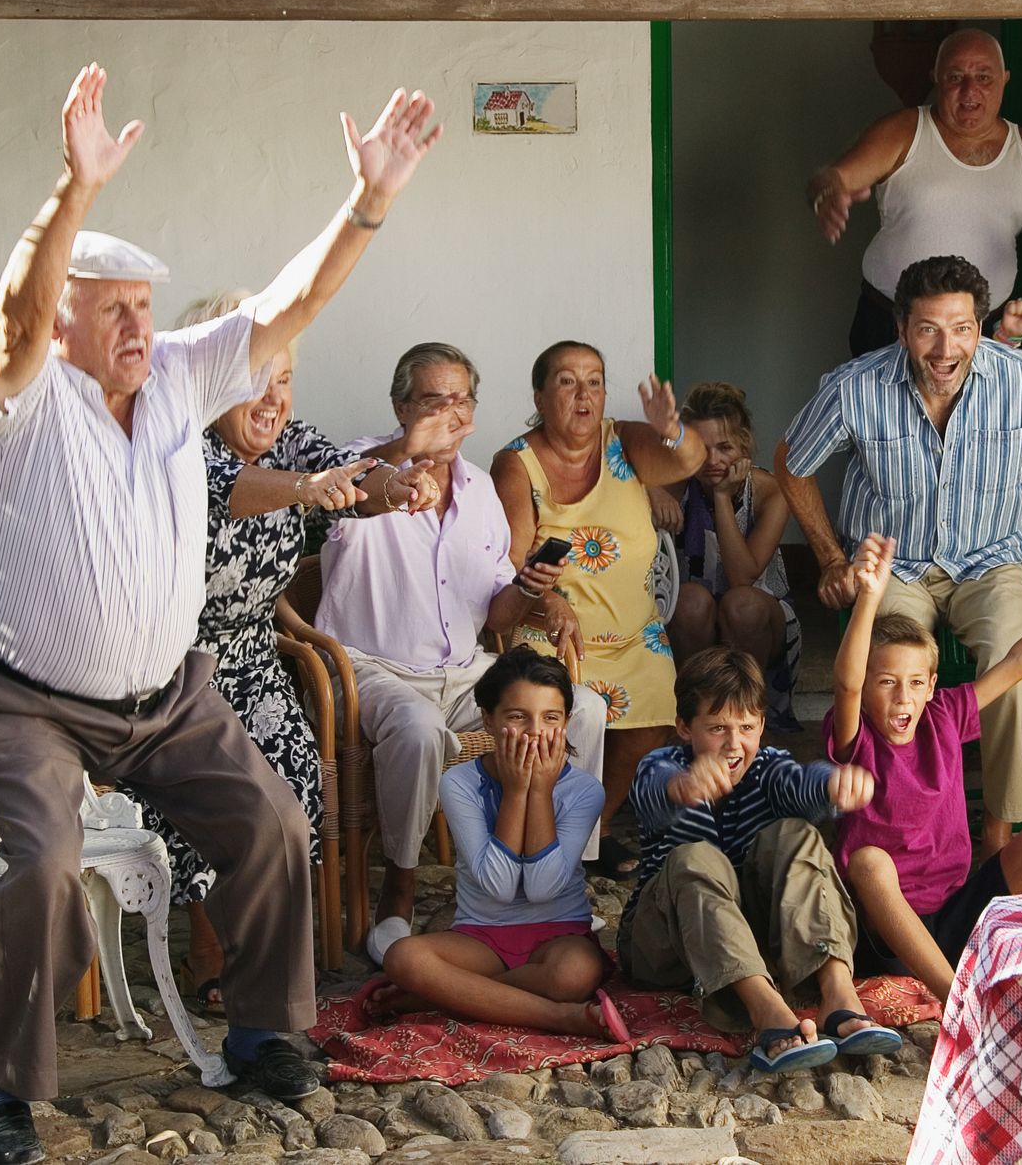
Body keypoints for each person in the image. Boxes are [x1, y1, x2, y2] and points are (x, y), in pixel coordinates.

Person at [0, 62, 439, 1165]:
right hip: (29, 698)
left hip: (168, 696)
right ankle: (4, 1097)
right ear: (63, 321)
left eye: (143, 307)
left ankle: (265, 1028)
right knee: (39, 865)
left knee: (271, 821)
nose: (137, 325)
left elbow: (293, 302)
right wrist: (69, 191)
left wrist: (369, 200)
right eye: (112, 308)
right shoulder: (14, 393)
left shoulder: (177, 374)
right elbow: (17, 308)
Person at [119, 293, 444, 1006]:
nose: (274, 396)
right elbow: (234, 491)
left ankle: (266, 946)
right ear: (207, 379)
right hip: (168, 673)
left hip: (253, 660)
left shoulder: (291, 442)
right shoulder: (173, 443)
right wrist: (307, 488)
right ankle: (210, 944)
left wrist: (398, 483)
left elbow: (353, 475)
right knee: (200, 792)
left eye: (285, 376)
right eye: (256, 374)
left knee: (295, 780)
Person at [775, 254, 1022, 858]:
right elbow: (792, 463)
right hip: (895, 568)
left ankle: (998, 833)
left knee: (1019, 673)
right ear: (902, 330)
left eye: (961, 327)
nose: (945, 347)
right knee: (886, 679)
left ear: (980, 326)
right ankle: (891, 821)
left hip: (991, 560)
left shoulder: (1021, 378)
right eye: (928, 328)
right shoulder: (856, 387)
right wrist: (827, 558)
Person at [316, 342, 609, 965]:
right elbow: (346, 489)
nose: (450, 413)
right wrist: (408, 450)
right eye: (432, 400)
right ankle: (398, 888)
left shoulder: (479, 492)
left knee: (581, 708)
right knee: (418, 730)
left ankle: (560, 881)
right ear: (401, 406)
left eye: (461, 400)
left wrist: (527, 592)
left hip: (465, 672)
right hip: (373, 667)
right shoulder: (356, 466)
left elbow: (493, 615)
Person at [829, 533, 1022, 1000]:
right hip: (886, 936)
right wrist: (870, 596)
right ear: (867, 688)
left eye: (914, 683)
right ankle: (961, 999)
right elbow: (846, 684)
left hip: (957, 917)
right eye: (886, 682)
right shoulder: (856, 736)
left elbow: (1020, 660)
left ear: (932, 686)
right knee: (868, 864)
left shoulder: (944, 715)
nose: (902, 697)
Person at [621, 648, 903, 1071]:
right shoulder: (659, 765)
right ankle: (765, 1009)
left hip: (748, 941)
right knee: (694, 857)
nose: (734, 745)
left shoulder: (767, 768)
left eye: (747, 728)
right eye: (717, 728)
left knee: (798, 834)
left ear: (762, 728)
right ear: (684, 727)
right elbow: (653, 793)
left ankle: (837, 993)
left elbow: (801, 782)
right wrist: (683, 786)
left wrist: (833, 783)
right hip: (664, 949)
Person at [492, 341, 706, 879]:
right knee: (560, 706)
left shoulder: (624, 440)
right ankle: (551, 835)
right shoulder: (516, 464)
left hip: (634, 634)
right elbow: (510, 564)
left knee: (660, 699)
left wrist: (672, 427)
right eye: (566, 381)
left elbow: (690, 459)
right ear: (540, 396)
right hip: (551, 631)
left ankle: (594, 826)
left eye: (594, 381)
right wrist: (547, 597)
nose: (583, 393)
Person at [366, 649, 630, 1041]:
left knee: (574, 974)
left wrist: (539, 791)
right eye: (517, 717)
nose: (535, 732)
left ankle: (438, 997)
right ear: (488, 719)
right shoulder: (459, 784)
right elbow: (499, 886)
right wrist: (517, 791)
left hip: (559, 935)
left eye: (550, 718)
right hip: (481, 936)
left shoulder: (584, 790)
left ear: (567, 723)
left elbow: (542, 889)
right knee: (403, 957)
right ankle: (561, 1018)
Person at [807, 26, 1022, 357]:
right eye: (955, 77)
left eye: (984, 77)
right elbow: (831, 177)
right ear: (936, 78)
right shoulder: (904, 130)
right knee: (881, 410)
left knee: (978, 412)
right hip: (893, 324)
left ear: (1005, 79)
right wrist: (828, 194)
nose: (969, 90)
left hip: (984, 331)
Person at [659, 383, 802, 731]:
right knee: (690, 600)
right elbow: (622, 455)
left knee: (741, 604)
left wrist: (722, 497)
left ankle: (744, 716)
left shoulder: (770, 491)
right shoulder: (674, 484)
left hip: (759, 616)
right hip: (694, 619)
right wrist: (651, 489)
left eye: (724, 448)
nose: (712, 461)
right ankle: (699, 717)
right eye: (701, 449)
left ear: (744, 446)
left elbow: (742, 578)